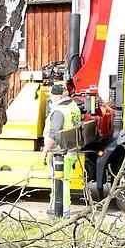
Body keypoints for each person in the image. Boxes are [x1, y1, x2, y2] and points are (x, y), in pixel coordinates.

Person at [41, 83, 81, 217]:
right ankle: (61, 209)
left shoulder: (59, 111)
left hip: (61, 152)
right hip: (72, 148)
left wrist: (45, 151)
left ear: (58, 96)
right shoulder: (73, 105)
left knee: (60, 181)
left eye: (52, 96)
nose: (51, 98)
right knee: (65, 180)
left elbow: (53, 134)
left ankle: (61, 210)